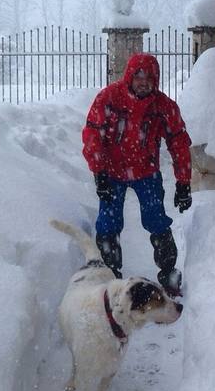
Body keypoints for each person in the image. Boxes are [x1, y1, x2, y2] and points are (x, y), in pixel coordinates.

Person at [82, 52, 192, 297]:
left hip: (146, 172)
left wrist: (183, 182)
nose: (143, 81)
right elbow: (93, 134)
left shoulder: (163, 106)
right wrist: (99, 173)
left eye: (149, 77)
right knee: (108, 224)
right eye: (138, 76)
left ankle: (168, 272)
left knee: (157, 220)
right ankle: (110, 279)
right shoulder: (109, 98)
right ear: (129, 76)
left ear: (156, 79)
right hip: (112, 172)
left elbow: (179, 142)